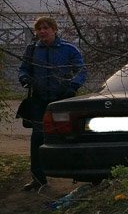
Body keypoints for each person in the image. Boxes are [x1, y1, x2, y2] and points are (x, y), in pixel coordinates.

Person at [17, 16, 87, 191]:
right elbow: (23, 68)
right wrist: (24, 78)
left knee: (68, 136)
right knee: (37, 139)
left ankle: (78, 175)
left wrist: (73, 87)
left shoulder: (68, 49)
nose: (42, 31)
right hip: (39, 100)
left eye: (46, 28)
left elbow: (81, 70)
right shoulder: (32, 49)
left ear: (54, 30)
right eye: (39, 29)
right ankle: (38, 179)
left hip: (62, 100)